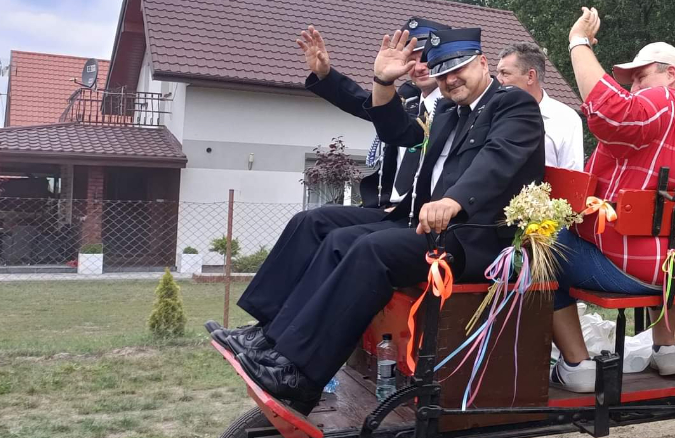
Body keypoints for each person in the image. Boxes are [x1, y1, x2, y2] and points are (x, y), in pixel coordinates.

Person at [212, 27, 545, 413]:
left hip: (472, 236)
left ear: (483, 63)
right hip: (420, 221)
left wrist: (453, 200)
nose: (450, 79)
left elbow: (498, 159)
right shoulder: (447, 110)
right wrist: (383, 82)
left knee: (368, 249)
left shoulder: (513, 104)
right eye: (442, 72)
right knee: (319, 225)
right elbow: (396, 131)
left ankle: (300, 377)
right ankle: (269, 339)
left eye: (459, 69)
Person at [549, 8, 675, 392]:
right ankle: (665, 349)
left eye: (641, 76)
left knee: (539, 250)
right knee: (666, 231)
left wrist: (578, 43)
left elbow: (609, 110)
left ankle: (577, 365)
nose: (634, 87)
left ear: (671, 75)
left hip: (640, 270)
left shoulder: (665, 100)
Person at [298, 18, 444, 210]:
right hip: (386, 203)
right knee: (313, 218)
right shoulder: (408, 97)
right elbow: (366, 104)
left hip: (427, 209)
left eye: (426, 59)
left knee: (321, 224)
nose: (418, 67)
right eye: (410, 60)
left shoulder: (458, 106)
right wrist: (325, 75)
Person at [495, 41, 585, 171]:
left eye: (505, 73)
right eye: (498, 73)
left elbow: (572, 176)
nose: (497, 80)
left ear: (530, 76)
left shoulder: (566, 119)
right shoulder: (492, 113)